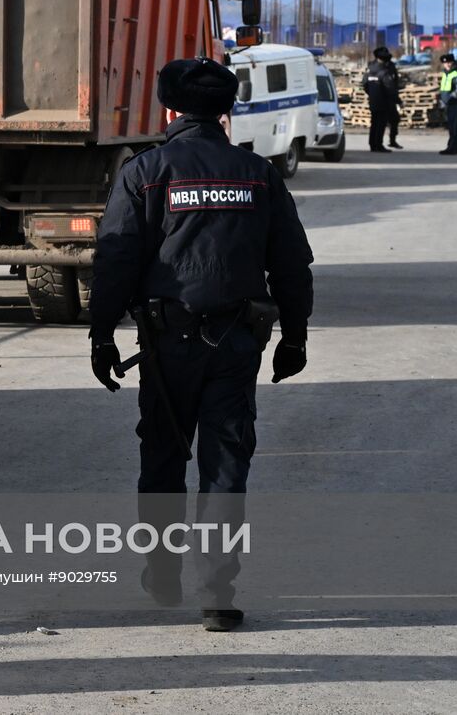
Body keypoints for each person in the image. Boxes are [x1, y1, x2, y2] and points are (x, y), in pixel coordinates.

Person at [88, 57, 314, 634]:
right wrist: (294, 337)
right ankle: (218, 593)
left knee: (163, 458)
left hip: (167, 347)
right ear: (227, 111)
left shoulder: (145, 172)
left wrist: (101, 333)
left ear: (170, 109)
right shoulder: (259, 174)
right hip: (236, 345)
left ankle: (162, 573)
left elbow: (115, 259)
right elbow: (292, 264)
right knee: (225, 467)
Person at [362, 46, 398, 153]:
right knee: (381, 123)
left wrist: (372, 95)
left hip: (373, 100)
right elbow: (390, 87)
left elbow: (365, 84)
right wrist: (396, 99)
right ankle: (378, 144)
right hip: (384, 101)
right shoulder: (384, 72)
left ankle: (373, 144)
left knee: (374, 123)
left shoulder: (370, 70)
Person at [438, 53, 457, 155]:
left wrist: (449, 99)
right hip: (448, 103)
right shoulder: (446, 73)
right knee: (451, 125)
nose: (448, 65)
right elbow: (443, 89)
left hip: (455, 103)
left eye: (449, 62)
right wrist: (442, 100)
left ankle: (453, 147)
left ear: (453, 62)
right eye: (445, 63)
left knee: (453, 126)